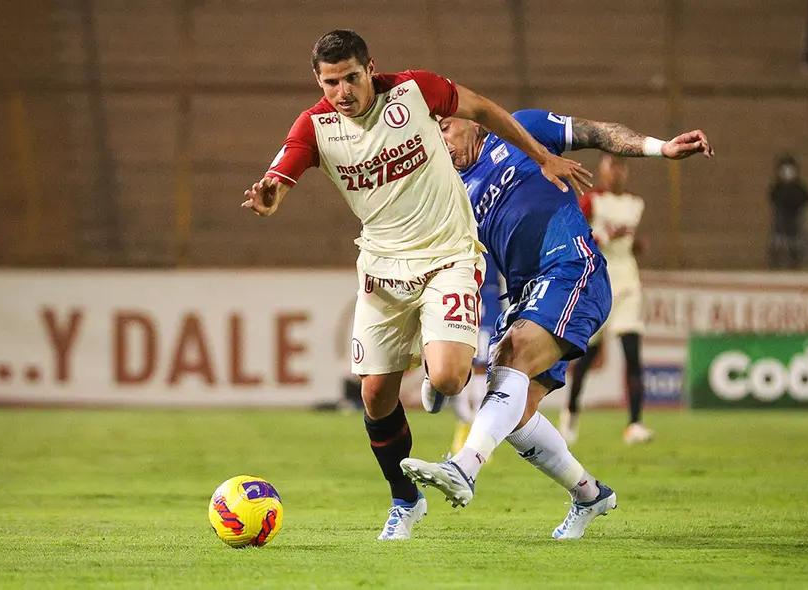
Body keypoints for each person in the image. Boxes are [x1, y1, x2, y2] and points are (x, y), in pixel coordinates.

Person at [241, 30, 590, 541]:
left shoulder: (415, 91)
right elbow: (282, 170)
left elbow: (486, 110)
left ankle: (433, 361)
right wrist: (272, 194)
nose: (343, 91)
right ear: (318, 81)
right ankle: (405, 501)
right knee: (376, 397)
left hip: (448, 254)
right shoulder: (316, 127)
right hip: (382, 268)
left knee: (450, 380)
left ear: (370, 68)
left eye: (352, 78)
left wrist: (541, 155)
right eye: (331, 82)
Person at [400, 109, 712, 539]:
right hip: (528, 292)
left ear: (473, 120)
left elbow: (599, 131)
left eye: (446, 127)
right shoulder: (454, 193)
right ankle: (589, 495)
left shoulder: (520, 130)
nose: (442, 140)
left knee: (513, 359)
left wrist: (660, 147)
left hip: (571, 267)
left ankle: (464, 468)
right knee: (515, 409)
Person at [563, 154, 652, 446]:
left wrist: (636, 244)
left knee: (633, 354)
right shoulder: (592, 202)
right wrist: (602, 236)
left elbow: (629, 244)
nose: (617, 173)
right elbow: (573, 233)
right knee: (587, 356)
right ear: (602, 171)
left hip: (627, 283)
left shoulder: (635, 204)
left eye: (621, 167)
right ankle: (571, 411)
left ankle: (635, 423)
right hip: (599, 283)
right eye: (611, 167)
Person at [450, 252, 502, 454]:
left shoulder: (492, 224)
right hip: (461, 291)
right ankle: (463, 426)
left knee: (483, 361)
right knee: (463, 360)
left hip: (489, 293)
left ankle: (479, 436)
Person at [768, 154, 808, 269]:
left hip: (798, 230)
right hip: (780, 231)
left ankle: (797, 267)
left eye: (790, 169)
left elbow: (807, 203)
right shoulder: (777, 190)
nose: (787, 172)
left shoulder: (800, 190)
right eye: (784, 169)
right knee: (777, 246)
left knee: (800, 248)